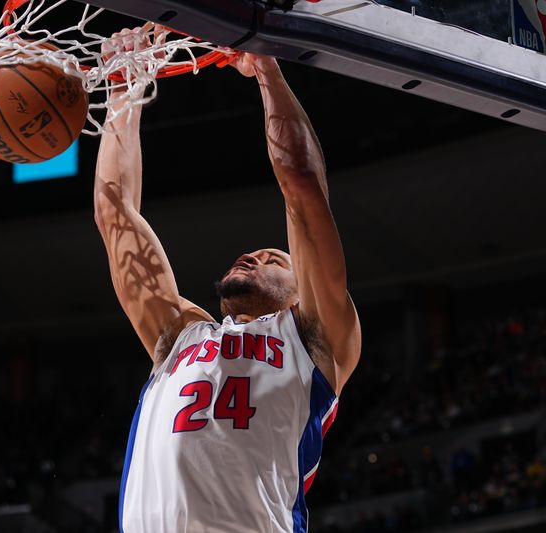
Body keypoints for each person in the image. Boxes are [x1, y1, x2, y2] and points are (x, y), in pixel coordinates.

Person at [94, 27, 361, 533]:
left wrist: (266, 68)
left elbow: (302, 188)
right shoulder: (181, 333)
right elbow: (116, 214)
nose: (252, 255)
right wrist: (124, 91)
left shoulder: (312, 337)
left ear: (303, 286)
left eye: (273, 258)